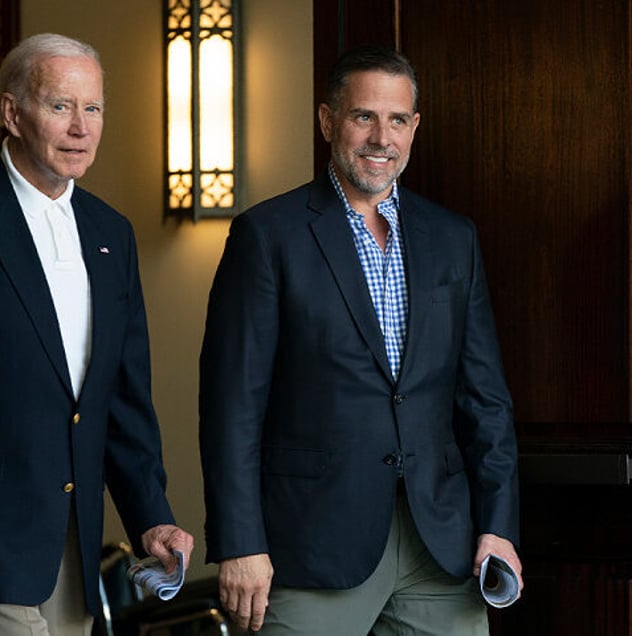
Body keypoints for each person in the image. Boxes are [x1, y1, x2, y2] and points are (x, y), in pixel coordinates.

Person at [199, 45, 522, 635]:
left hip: (439, 547)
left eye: (397, 120)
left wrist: (498, 525)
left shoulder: (453, 238)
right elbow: (232, 406)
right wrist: (240, 541)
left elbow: (486, 400)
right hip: (312, 542)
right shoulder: (267, 236)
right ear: (328, 121)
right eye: (363, 117)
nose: (381, 138)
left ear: (414, 127)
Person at [0, 33, 194, 636]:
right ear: (12, 114)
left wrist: (150, 519)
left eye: (94, 108)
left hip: (74, 550)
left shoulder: (112, 232)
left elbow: (122, 402)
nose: (81, 127)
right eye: (60, 106)